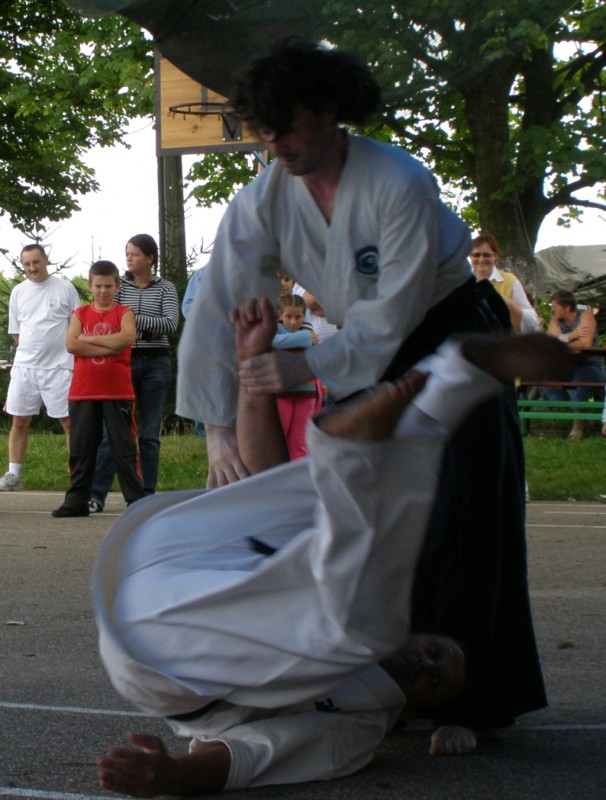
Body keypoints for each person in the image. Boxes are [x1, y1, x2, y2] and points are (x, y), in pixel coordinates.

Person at [177, 40, 547, 745]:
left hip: (453, 331)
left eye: (288, 126)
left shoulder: (399, 180)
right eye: (264, 131)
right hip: (363, 352)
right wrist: (217, 429)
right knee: (369, 516)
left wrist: (306, 366)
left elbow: (395, 311)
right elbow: (224, 304)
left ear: (329, 111)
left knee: (462, 506)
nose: (277, 145)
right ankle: (391, 682)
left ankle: (471, 701)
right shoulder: (262, 200)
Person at [95, 299, 572, 796]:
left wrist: (175, 775)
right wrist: (254, 368)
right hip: (176, 558)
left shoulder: (362, 724)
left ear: (409, 715)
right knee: (303, 516)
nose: (425, 665)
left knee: (359, 610)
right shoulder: (356, 613)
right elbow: (269, 486)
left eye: (432, 682)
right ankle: (454, 375)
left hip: (165, 657)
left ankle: (371, 433)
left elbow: (256, 753)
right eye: (434, 651)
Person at [88, 234, 179, 512]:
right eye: (127, 253)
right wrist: (134, 327)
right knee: (113, 432)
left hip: (155, 364)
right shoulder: (120, 286)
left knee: (149, 433)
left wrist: (131, 321)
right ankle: (96, 494)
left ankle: (145, 495)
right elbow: (109, 316)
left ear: (150, 258)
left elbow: (170, 324)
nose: (129, 258)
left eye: (135, 254)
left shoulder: (166, 288)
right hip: (122, 362)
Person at [51, 261, 145, 518]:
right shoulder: (80, 314)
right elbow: (72, 345)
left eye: (108, 286)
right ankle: (77, 500)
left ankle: (136, 500)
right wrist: (109, 346)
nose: (103, 291)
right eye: (98, 286)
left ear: (117, 286)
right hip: (83, 391)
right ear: (90, 286)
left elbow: (126, 338)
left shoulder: (124, 313)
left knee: (124, 448)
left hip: (118, 391)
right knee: (81, 448)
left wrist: (89, 339)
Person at [0, 244, 80, 492]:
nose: (32, 268)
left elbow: (77, 325)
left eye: (36, 262)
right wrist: (32, 353)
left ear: (46, 260)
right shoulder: (18, 292)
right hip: (25, 368)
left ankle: (78, 478)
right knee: (20, 420)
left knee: (69, 422)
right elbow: (16, 332)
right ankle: (14, 476)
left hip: (60, 367)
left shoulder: (65, 288)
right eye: (27, 264)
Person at [544, 289, 604, 439]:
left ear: (567, 307)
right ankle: (574, 413)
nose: (552, 310)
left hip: (589, 364)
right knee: (546, 379)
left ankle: (579, 424)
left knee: (580, 380)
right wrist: (573, 335)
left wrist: (561, 340)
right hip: (565, 366)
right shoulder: (555, 320)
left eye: (555, 306)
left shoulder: (585, 316)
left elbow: (585, 343)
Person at [273, 293, 323, 459]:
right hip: (282, 392)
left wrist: (301, 338)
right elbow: (272, 342)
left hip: (307, 392)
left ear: (304, 316)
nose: (293, 322)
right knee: (279, 439)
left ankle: (298, 473)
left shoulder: (308, 331)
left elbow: (312, 343)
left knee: (300, 441)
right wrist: (304, 338)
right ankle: (279, 473)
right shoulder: (275, 330)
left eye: (298, 317)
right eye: (288, 316)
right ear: (280, 315)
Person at [469, 234, 539, 334]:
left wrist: (502, 300)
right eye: (476, 255)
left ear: (495, 256)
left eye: (486, 255)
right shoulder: (461, 282)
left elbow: (531, 324)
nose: (481, 259)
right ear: (470, 256)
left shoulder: (510, 281)